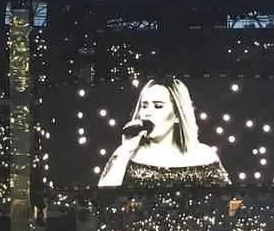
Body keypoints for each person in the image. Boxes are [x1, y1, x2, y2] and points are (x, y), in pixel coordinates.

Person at [98, 79, 230, 188]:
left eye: (158, 106)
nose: (147, 113)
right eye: (144, 106)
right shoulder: (125, 153)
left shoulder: (204, 155)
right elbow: (101, 202)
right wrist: (125, 152)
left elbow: (229, 204)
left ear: (178, 115)